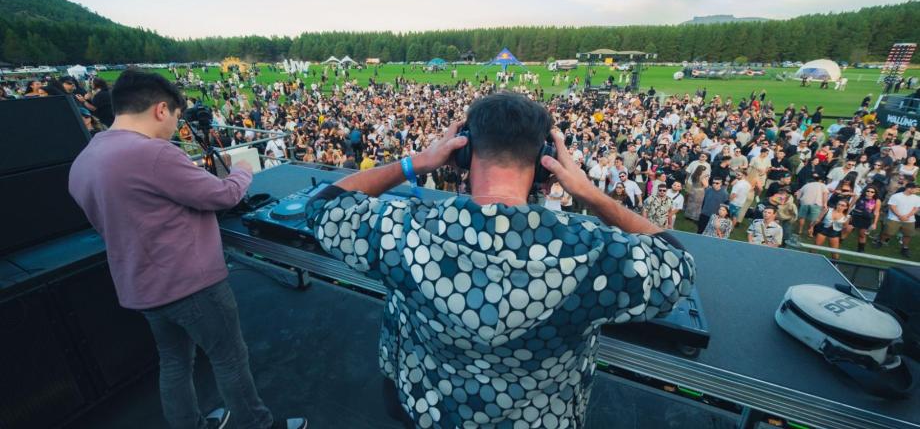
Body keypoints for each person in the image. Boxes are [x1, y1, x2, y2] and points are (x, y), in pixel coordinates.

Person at [303, 92, 694, 428]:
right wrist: (589, 193)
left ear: (464, 151)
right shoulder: (591, 252)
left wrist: (417, 164)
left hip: (429, 411)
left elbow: (323, 206)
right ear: (547, 162)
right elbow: (677, 265)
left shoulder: (404, 231)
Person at [68, 71, 307, 429]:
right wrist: (242, 170)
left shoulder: (84, 159)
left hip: (140, 286)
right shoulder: (153, 153)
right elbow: (224, 194)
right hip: (191, 284)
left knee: (175, 362)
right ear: (161, 110)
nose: (175, 128)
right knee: (229, 358)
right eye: (177, 118)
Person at [876, 182, 920, 257]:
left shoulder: (917, 198)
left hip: (909, 220)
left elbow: (916, 208)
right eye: (917, 189)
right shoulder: (896, 196)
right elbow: (892, 206)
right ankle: (881, 241)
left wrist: (907, 216)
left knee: (908, 235)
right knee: (888, 233)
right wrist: (899, 216)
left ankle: (905, 248)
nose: (918, 191)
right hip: (894, 219)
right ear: (909, 188)